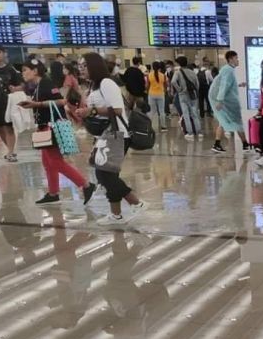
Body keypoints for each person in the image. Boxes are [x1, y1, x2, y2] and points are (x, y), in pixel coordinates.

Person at [75, 52, 146, 225]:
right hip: (104, 135)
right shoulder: (94, 86)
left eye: (84, 65)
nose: (81, 69)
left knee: (104, 175)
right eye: (79, 66)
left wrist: (91, 111)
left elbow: (117, 110)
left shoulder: (107, 83)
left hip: (116, 134)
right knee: (108, 174)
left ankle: (137, 203)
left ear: (94, 66)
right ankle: (116, 215)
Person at [17, 57, 96, 206]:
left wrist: (37, 104)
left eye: (25, 70)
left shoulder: (46, 83)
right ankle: (53, 193)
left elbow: (61, 101)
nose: (23, 74)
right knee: (47, 162)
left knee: (55, 162)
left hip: (51, 127)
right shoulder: (38, 86)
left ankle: (86, 185)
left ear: (35, 71)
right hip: (43, 127)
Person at [210, 50, 250, 154]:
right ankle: (245, 145)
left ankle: (217, 144)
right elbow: (224, 86)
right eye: (236, 58)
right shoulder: (228, 70)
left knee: (224, 121)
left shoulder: (227, 70)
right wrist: (220, 100)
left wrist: (239, 85)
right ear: (231, 59)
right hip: (226, 101)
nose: (238, 60)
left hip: (224, 99)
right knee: (236, 120)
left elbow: (227, 85)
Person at [171, 56, 203, 140]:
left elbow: (173, 81)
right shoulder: (192, 72)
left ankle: (190, 133)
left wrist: (179, 90)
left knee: (186, 114)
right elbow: (197, 84)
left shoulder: (178, 72)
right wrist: (195, 91)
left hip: (183, 95)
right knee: (195, 114)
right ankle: (199, 132)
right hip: (193, 95)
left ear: (179, 64)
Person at [147, 61, 168, 132]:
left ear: (153, 67)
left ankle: (149, 126)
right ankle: (163, 127)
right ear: (159, 67)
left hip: (151, 94)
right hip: (160, 94)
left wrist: (147, 92)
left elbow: (147, 85)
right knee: (162, 111)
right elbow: (165, 85)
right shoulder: (163, 75)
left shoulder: (149, 75)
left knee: (151, 111)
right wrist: (164, 91)